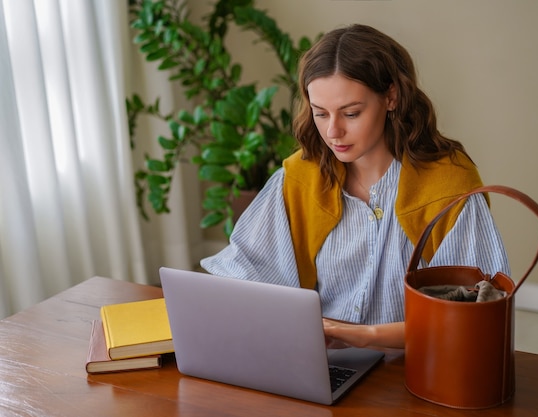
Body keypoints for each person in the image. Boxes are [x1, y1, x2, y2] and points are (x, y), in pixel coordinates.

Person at [200, 24, 509, 349]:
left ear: (391, 97)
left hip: (418, 370)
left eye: (351, 113)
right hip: (322, 363)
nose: (333, 131)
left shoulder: (448, 187)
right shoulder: (299, 179)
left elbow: (475, 316)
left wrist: (360, 335)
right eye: (320, 114)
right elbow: (241, 273)